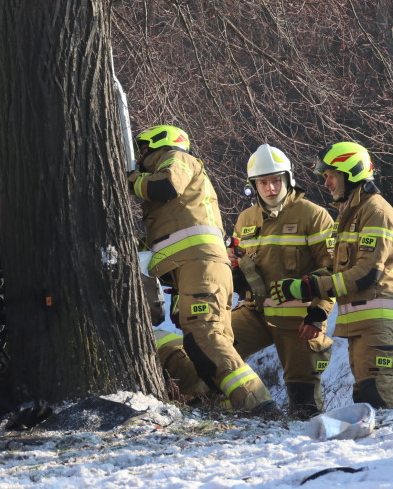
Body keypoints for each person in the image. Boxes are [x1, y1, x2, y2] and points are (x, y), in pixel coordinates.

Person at [129, 125, 276, 414]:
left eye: (142, 149)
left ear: (160, 143)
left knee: (204, 338)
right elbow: (169, 231)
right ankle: (228, 408)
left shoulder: (177, 159)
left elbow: (165, 186)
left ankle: (260, 405)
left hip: (201, 266)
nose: (140, 157)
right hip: (200, 267)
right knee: (207, 347)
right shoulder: (182, 198)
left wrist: (128, 180)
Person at [271, 141, 393, 408]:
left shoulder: (376, 211)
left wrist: (309, 289)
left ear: (350, 172)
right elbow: (339, 270)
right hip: (361, 327)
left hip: (378, 327)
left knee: (381, 403)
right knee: (366, 402)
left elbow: (365, 274)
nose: (326, 183)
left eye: (330, 176)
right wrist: (317, 307)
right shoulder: (349, 215)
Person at [228, 144, 334, 417]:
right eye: (263, 182)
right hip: (255, 312)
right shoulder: (245, 219)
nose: (270, 188)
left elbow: (332, 268)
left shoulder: (313, 215)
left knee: (304, 404)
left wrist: (318, 312)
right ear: (254, 185)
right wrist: (233, 269)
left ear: (288, 179)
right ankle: (220, 409)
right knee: (215, 344)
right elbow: (238, 267)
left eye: (276, 180)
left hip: (298, 320)